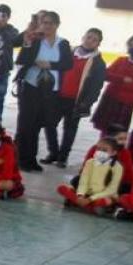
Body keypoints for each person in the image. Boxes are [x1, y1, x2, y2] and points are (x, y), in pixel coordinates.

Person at [13, 11, 72, 172]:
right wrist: (31, 51)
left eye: (51, 23)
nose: (47, 26)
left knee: (38, 124)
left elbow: (68, 64)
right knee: (26, 124)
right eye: (45, 22)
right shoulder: (35, 40)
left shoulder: (63, 43)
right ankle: (22, 159)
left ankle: (31, 159)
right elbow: (21, 60)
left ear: (57, 25)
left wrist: (50, 65)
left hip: (50, 89)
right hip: (31, 86)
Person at [51, 28, 107, 168]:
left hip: (77, 102)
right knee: (49, 125)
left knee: (69, 130)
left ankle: (62, 157)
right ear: (83, 37)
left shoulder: (98, 63)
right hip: (58, 97)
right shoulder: (69, 53)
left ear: (98, 44)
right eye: (89, 37)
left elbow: (96, 87)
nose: (90, 41)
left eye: (94, 40)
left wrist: (87, 103)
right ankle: (53, 153)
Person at [92, 35, 133, 133]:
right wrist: (123, 79)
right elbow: (105, 74)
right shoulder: (121, 60)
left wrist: (116, 79)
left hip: (126, 102)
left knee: (118, 131)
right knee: (104, 128)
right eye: (130, 44)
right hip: (110, 96)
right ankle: (102, 146)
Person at [58, 136, 124, 214]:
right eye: (98, 149)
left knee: (106, 201)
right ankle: (87, 206)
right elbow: (83, 181)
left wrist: (90, 199)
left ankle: (80, 203)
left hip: (102, 196)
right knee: (61, 188)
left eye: (105, 150)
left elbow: (112, 189)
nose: (100, 152)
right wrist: (80, 195)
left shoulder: (117, 167)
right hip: (87, 194)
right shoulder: (90, 162)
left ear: (114, 152)